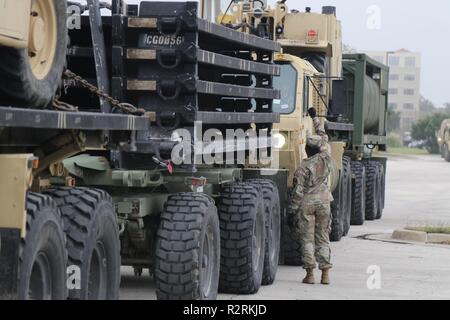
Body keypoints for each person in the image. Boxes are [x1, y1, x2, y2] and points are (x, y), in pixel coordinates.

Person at [288, 107, 334, 285]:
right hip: (324, 202)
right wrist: (315, 119)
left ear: (307, 150)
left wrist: (292, 211)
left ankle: (310, 275)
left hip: (307, 204)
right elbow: (323, 136)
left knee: (307, 239)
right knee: (323, 237)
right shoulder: (327, 157)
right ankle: (326, 274)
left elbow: (298, 193)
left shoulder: (303, 168)